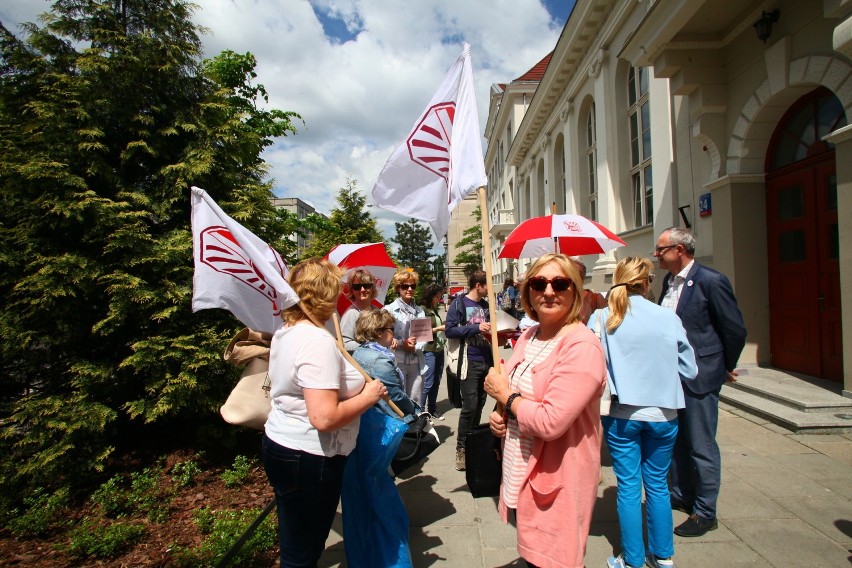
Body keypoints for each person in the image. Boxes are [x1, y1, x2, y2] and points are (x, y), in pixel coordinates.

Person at [262, 258, 388, 568]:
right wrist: (370, 396)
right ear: (324, 294)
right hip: (309, 458)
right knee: (303, 552)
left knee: (296, 541)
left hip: (283, 445)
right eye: (335, 291)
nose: (339, 298)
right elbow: (325, 418)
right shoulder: (315, 342)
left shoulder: (288, 330)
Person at [483, 253, 606, 568]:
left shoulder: (581, 346)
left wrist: (506, 396)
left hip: (558, 475)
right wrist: (501, 415)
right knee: (534, 551)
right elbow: (516, 395)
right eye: (539, 283)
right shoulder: (528, 336)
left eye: (560, 283)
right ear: (528, 293)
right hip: (520, 467)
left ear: (575, 291)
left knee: (554, 558)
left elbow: (551, 422)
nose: (549, 291)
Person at [590, 257, 698, 568]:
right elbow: (689, 369)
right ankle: (663, 557)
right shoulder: (667, 317)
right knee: (658, 485)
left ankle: (633, 560)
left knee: (627, 486)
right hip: (663, 413)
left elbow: (592, 366)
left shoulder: (601, 317)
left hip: (622, 414)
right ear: (648, 282)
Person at [654, 227, 747, 538]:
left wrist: (724, 367)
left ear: (680, 250)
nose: (657, 255)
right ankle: (681, 494)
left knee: (701, 445)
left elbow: (734, 329)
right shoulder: (668, 282)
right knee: (677, 441)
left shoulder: (711, 281)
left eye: (661, 249)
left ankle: (706, 511)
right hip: (673, 377)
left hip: (700, 375)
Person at [445, 270, 493, 471]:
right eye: (487, 286)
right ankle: (461, 448)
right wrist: (476, 328)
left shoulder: (486, 306)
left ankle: (473, 444)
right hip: (468, 361)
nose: (489, 290)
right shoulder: (459, 304)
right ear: (478, 285)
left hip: (485, 360)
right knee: (470, 406)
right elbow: (450, 330)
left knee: (480, 404)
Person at [352, 309, 420, 420]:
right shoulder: (380, 361)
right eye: (391, 329)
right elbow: (395, 396)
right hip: (386, 418)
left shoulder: (360, 351)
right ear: (379, 332)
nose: (394, 333)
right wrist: (415, 409)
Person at [385, 269, 427, 402]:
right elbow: (384, 336)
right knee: (399, 400)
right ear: (398, 288)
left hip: (416, 361)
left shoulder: (420, 311)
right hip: (397, 361)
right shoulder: (388, 310)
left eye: (412, 286)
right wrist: (403, 342)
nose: (409, 289)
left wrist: (415, 347)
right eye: (405, 286)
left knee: (415, 400)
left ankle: (416, 423)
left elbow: (424, 337)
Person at [419, 283, 446, 420]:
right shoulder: (422, 310)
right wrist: (439, 328)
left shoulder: (434, 309)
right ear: (431, 296)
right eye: (438, 296)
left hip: (439, 348)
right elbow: (421, 332)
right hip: (429, 349)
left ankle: (432, 408)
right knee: (428, 381)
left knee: (437, 380)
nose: (439, 299)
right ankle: (421, 411)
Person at [340, 269, 379, 353]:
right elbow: (344, 343)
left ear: (372, 288)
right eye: (357, 287)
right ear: (352, 290)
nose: (362, 290)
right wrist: (370, 347)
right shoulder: (351, 313)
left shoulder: (377, 311)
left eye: (366, 285)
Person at [570, 256, 607, 324]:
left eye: (576, 276)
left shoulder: (596, 299)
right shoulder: (562, 300)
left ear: (582, 278)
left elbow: (606, 323)